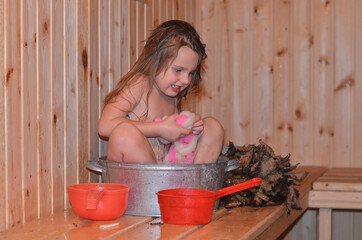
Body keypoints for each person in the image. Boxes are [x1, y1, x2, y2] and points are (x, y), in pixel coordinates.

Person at [97, 20, 224, 164]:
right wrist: (159, 129)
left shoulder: (172, 94)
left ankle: (194, 181)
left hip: (167, 171)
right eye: (178, 70)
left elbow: (170, 145)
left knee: (213, 127)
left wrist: (189, 131)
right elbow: (105, 126)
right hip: (140, 176)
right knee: (123, 134)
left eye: (190, 73)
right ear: (155, 60)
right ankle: (157, 184)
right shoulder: (140, 83)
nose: (186, 80)